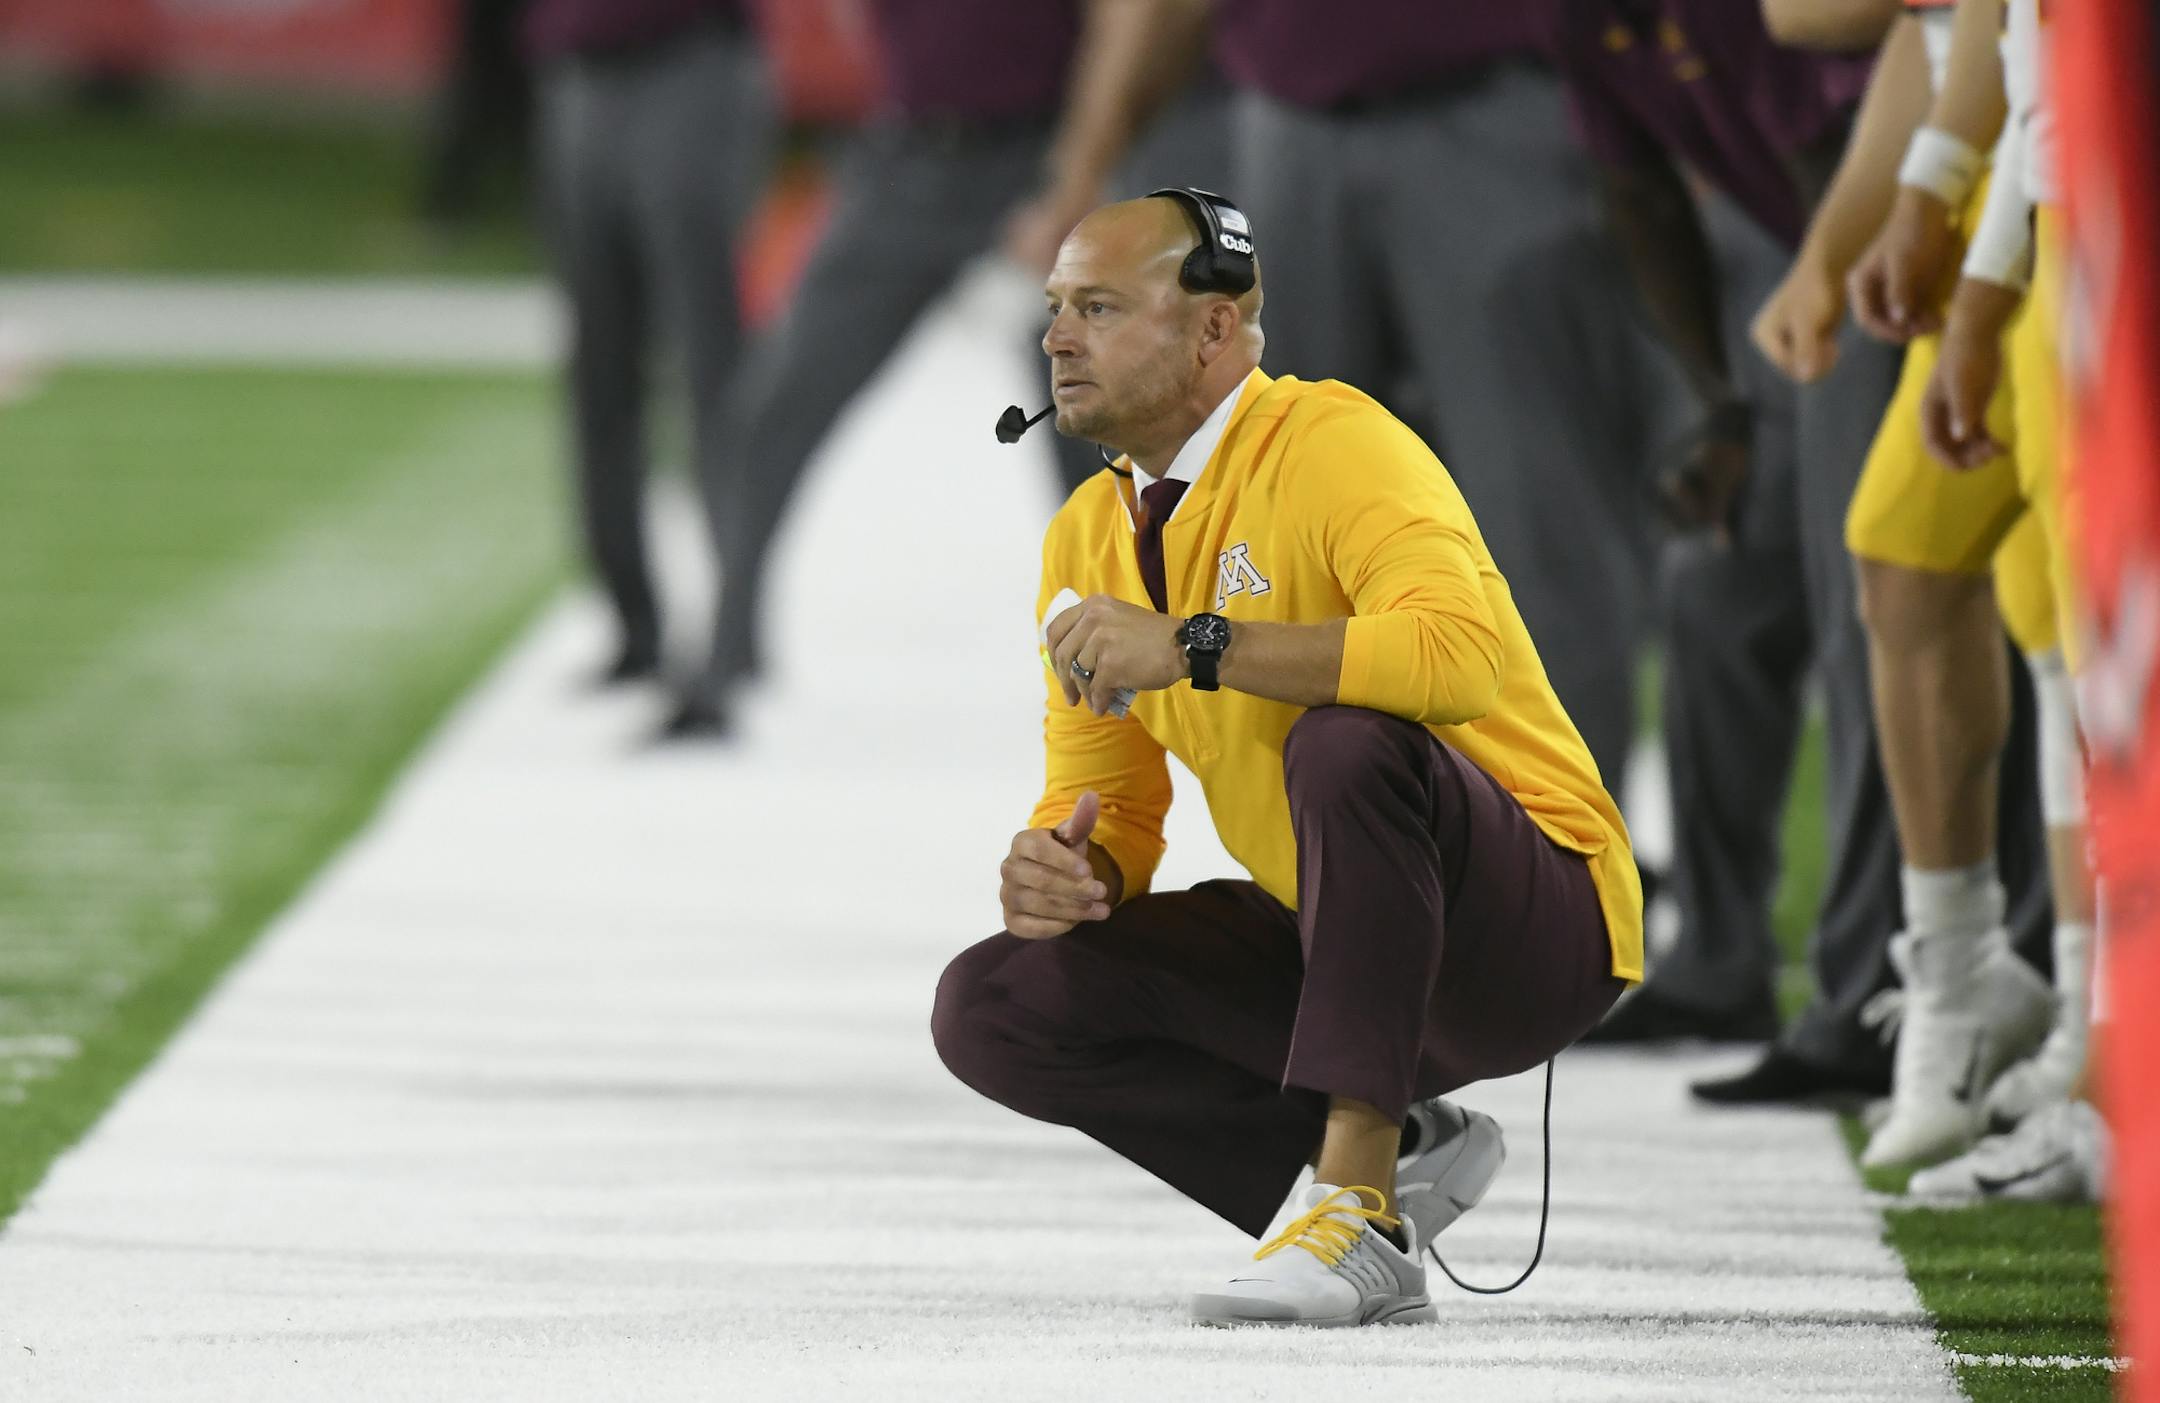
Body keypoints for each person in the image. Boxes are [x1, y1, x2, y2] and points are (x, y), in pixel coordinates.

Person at [931, 194, 1640, 1327]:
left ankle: (1358, 1210)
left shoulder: (1336, 444)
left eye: (1099, 308)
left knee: (1348, 739)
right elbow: (1110, 801)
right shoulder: (1086, 534)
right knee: (994, 1002)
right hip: (1346, 931)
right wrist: (1071, 867)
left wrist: (1198, 643)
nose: (1055, 336)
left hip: (1533, 923)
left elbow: (1455, 658)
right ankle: (1399, 1148)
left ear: (1214, 329)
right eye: (1056, 306)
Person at [1002, 0, 1671, 793]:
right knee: (1288, 538)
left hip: (1494, 103)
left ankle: (1566, 847)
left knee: (1535, 522)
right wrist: (1089, 167)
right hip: (1292, 119)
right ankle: (1345, 851)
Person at [666, 0, 1231, 738]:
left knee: (1097, 434)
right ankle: (723, 651)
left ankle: (1147, 666)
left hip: (1035, 156)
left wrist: (1078, 175)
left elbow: (1123, 20)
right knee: (775, 408)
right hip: (911, 152)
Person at [526, 0, 774, 692]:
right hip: (579, 72)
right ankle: (631, 621)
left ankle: (733, 626)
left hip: (687, 61)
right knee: (597, 366)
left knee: (710, 365)